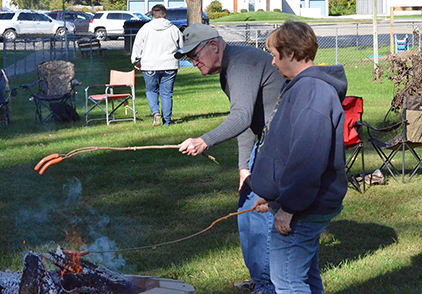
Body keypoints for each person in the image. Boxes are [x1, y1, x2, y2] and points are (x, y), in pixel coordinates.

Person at [174, 23, 286, 294]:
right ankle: (261, 277)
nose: (193, 62)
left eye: (195, 54)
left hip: (282, 146)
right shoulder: (229, 69)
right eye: (188, 58)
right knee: (247, 211)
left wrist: (203, 141)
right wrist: (243, 168)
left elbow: (240, 117)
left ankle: (270, 285)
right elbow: (249, 122)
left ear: (214, 45)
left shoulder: (241, 63)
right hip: (266, 142)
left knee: (261, 213)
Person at [250, 20, 348, 294]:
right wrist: (270, 192)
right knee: (304, 275)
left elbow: (308, 158)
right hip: (296, 202)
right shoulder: (300, 86)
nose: (271, 62)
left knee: (288, 283)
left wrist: (289, 207)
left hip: (304, 208)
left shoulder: (312, 92)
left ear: (291, 54)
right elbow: (284, 148)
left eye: (274, 53)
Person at [131, 4, 183, 126]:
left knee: (151, 91)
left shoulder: (145, 29)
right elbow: (181, 47)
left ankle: (155, 113)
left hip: (150, 65)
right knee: (166, 93)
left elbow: (137, 46)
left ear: (152, 15)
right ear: (165, 14)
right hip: (170, 65)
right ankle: (167, 121)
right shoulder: (173, 29)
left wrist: (136, 61)